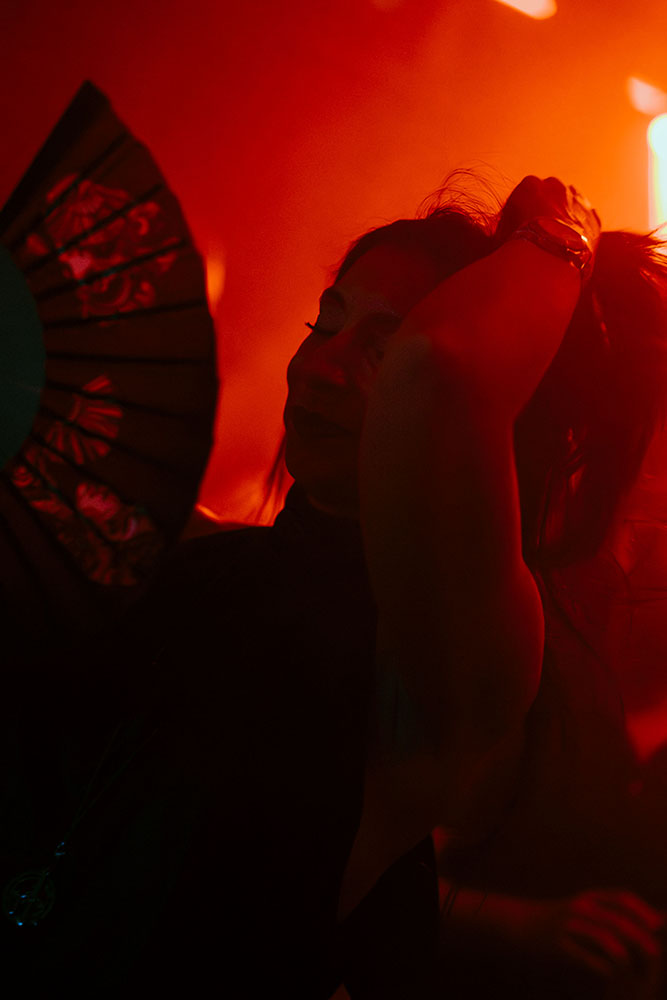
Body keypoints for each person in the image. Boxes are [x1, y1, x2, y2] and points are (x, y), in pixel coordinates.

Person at [2, 175, 665, 998]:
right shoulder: (204, 563)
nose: (320, 367)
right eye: (326, 323)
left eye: (380, 347)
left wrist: (562, 232)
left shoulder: (462, 642)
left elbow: (439, 369)